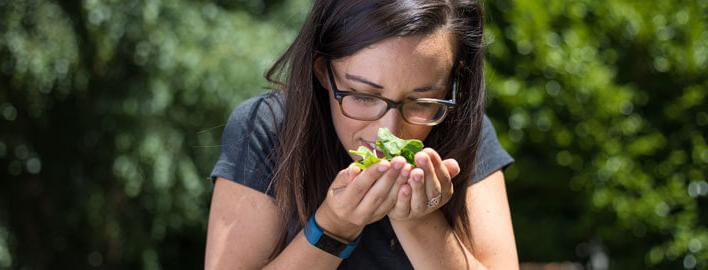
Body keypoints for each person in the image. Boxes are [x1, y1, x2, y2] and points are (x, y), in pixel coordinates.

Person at [205, 0, 518, 269]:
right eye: (364, 96)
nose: (389, 131)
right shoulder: (269, 127)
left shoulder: (464, 132)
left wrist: (418, 221)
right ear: (322, 71)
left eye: (422, 100)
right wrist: (333, 226)